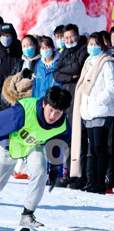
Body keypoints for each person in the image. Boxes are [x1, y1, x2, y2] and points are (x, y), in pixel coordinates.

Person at [0, 86, 71, 227]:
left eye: (58, 113)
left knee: (40, 169)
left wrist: (55, 168)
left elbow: (57, 146)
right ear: (44, 104)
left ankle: (27, 214)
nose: (53, 116)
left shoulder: (62, 126)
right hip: (10, 145)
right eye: (51, 110)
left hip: (33, 147)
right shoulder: (21, 113)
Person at [70, 32, 114, 194]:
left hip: (101, 111)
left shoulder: (106, 62)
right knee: (92, 149)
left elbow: (111, 87)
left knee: (99, 148)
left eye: (96, 44)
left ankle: (100, 182)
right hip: (88, 112)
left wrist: (98, 101)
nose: (92, 47)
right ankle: (92, 180)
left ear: (102, 46)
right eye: (90, 44)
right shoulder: (89, 61)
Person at [54, 23, 88, 189]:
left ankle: (79, 175)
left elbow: (77, 68)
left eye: (71, 36)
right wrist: (70, 76)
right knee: (67, 137)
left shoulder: (83, 49)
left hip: (78, 97)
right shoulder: (64, 52)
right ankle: (68, 172)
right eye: (65, 37)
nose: (68, 40)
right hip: (66, 99)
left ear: (77, 35)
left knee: (79, 138)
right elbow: (56, 72)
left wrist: (66, 73)